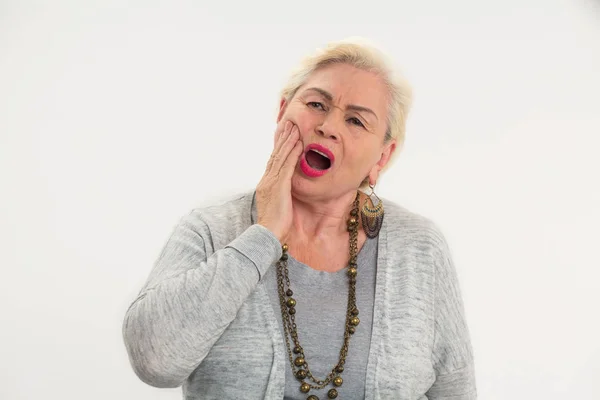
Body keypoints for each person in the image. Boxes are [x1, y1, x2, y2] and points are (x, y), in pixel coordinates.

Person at [122, 37, 477, 400]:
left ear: (381, 159)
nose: (327, 126)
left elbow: (456, 391)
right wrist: (263, 235)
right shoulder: (210, 230)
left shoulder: (419, 248)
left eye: (355, 120)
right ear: (282, 112)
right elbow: (154, 361)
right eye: (316, 104)